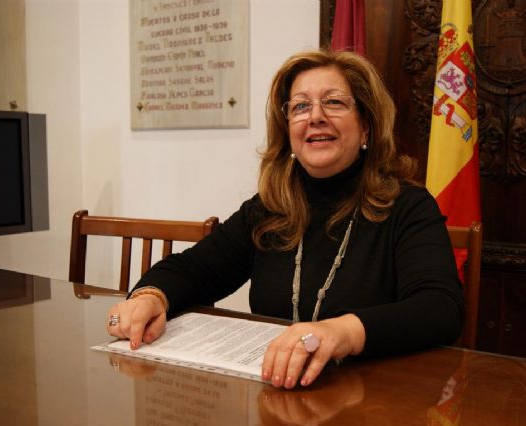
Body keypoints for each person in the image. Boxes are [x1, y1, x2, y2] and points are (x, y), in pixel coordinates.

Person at [106, 49, 463, 389]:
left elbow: (440, 307)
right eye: (301, 106)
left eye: (334, 102)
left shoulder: (408, 206)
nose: (315, 116)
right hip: (279, 393)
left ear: (366, 126)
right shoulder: (268, 209)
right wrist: (150, 297)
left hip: (375, 398)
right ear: (288, 128)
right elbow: (193, 270)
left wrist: (342, 332)